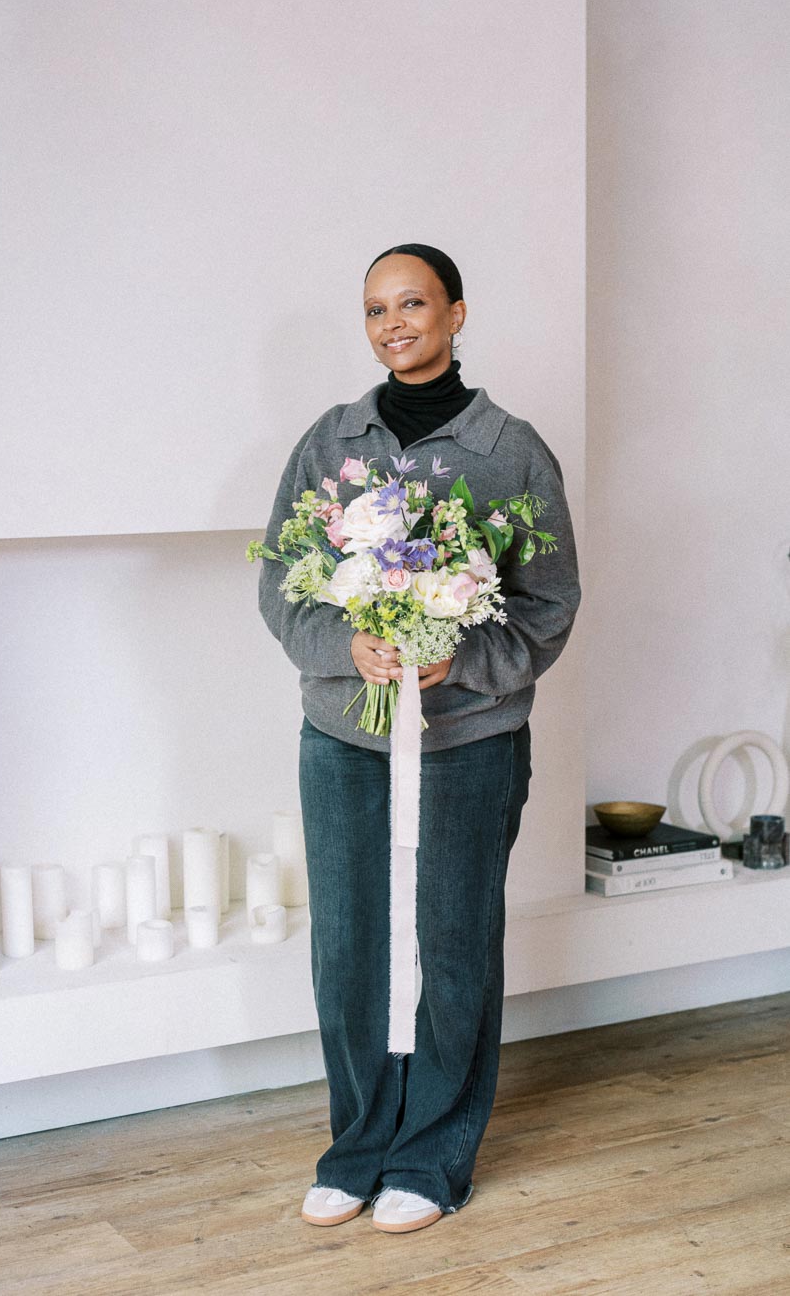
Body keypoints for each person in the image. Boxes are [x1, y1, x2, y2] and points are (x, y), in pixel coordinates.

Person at [256, 244, 581, 1234]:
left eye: (412, 303)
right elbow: (280, 582)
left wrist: (461, 656)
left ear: (456, 313)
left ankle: (433, 1158)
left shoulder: (509, 450)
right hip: (343, 738)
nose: (393, 324)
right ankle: (357, 1148)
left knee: (453, 943)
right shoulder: (330, 440)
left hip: (468, 741)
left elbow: (550, 603)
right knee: (349, 944)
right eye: (375, 309)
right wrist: (345, 645)